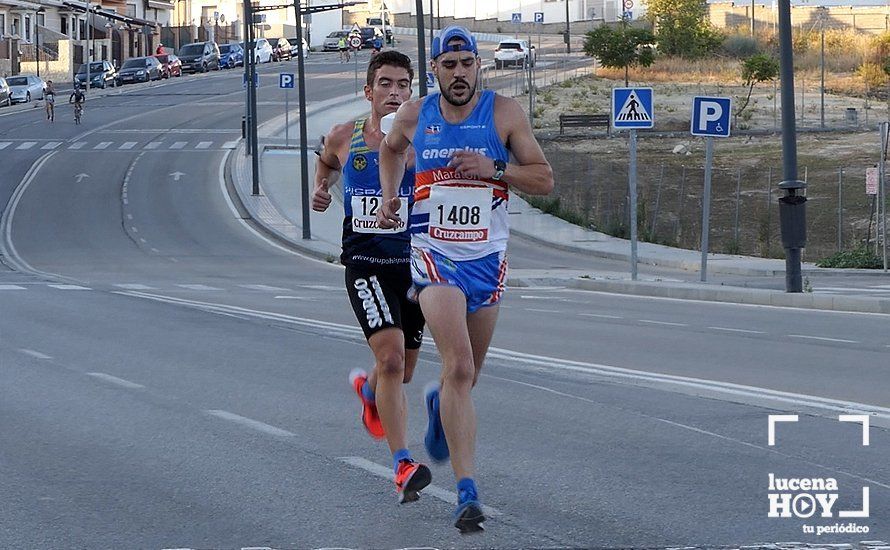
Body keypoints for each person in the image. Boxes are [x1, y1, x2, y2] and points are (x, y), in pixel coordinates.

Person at [377, 26, 553, 533]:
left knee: (468, 376)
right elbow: (390, 150)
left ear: (479, 66)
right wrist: (392, 195)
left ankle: (438, 408)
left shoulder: (503, 114)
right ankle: (467, 492)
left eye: (467, 64)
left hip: (488, 258)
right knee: (457, 366)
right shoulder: (415, 115)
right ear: (434, 70)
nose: (459, 74)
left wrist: (494, 168)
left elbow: (544, 178)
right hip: (433, 257)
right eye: (448, 66)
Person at [312, 51, 431, 505]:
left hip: (414, 269)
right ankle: (403, 465)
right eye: (385, 83)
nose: (394, 92)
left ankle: (370, 393)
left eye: (403, 84)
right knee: (393, 360)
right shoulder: (346, 136)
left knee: (400, 373)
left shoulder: (423, 143)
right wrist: (321, 188)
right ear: (369, 91)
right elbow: (325, 162)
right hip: (365, 266)